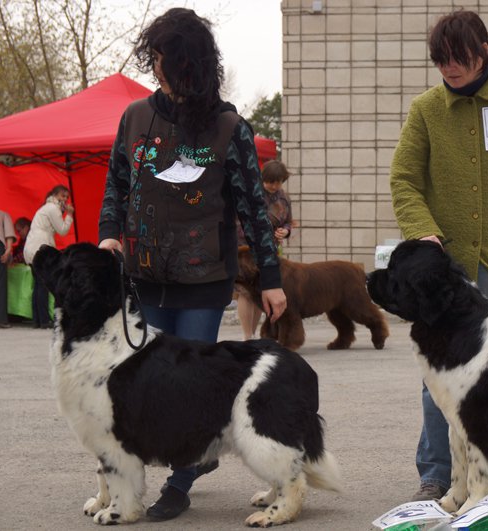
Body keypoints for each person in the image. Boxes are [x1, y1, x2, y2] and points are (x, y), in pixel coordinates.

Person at [97, 8, 287, 521]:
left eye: (172, 61)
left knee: (192, 384)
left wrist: (270, 280)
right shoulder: (135, 117)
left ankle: (180, 481)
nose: (162, 71)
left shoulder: (230, 126)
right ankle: (175, 465)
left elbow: (253, 209)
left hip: (205, 279)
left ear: (196, 64)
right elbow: (116, 183)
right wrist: (109, 236)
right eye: (156, 59)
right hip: (142, 275)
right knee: (145, 385)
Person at [388, 9, 488, 501]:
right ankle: (437, 472)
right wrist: (423, 233)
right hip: (443, 270)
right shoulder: (426, 110)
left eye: (458, 59)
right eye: (440, 61)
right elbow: (404, 180)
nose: (449, 69)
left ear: (482, 51)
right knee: (440, 373)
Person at [236, 159, 293, 340]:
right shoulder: (250, 193)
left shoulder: (284, 197)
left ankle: (254, 334)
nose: (274, 185)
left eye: (278, 182)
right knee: (245, 292)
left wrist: (286, 231)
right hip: (245, 250)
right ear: (263, 178)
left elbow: (288, 222)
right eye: (270, 181)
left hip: (269, 252)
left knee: (262, 292)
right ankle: (247, 336)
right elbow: (239, 220)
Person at [24, 186, 74, 329]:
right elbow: (63, 230)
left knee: (38, 285)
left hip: (32, 246)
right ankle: (44, 321)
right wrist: (69, 215)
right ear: (54, 195)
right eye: (62, 196)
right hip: (40, 248)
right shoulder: (52, 208)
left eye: (66, 197)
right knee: (43, 285)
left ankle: (38, 321)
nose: (65, 199)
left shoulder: (47, 207)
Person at [0, 210, 17, 328]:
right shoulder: (2, 214)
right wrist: (8, 250)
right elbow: (9, 233)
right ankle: (0, 319)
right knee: (0, 283)